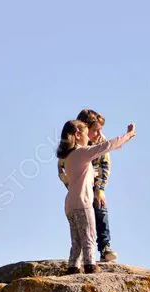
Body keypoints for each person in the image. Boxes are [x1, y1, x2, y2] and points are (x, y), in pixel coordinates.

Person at [56, 119, 136, 274]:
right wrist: (128, 135)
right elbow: (106, 146)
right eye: (87, 134)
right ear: (78, 134)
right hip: (82, 202)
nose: (89, 139)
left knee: (77, 240)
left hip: (70, 205)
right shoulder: (81, 153)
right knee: (89, 235)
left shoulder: (67, 157)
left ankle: (73, 267)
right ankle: (90, 266)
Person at [58, 109, 117, 262]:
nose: (98, 134)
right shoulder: (72, 144)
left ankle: (105, 247)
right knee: (81, 220)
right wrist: (73, 187)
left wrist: (100, 189)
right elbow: (62, 168)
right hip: (78, 186)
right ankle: (81, 255)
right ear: (83, 129)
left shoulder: (100, 140)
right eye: (95, 130)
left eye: (100, 130)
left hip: (94, 181)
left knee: (100, 208)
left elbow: (105, 165)